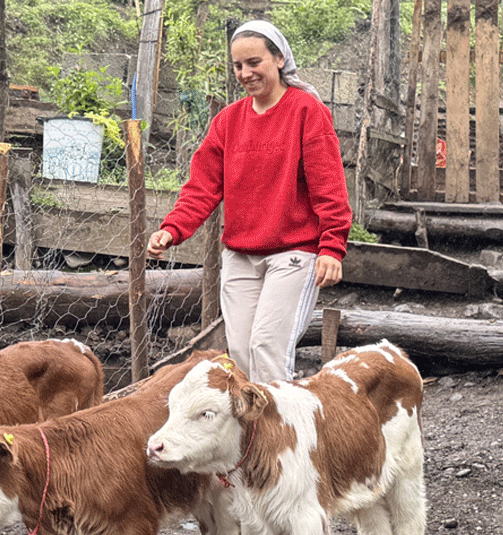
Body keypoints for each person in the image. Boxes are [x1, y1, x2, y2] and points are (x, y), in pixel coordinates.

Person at [146, 19, 352, 383]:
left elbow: (329, 185)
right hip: (240, 254)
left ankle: (280, 421)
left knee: (267, 347)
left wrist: (332, 247)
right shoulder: (228, 121)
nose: (245, 73)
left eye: (254, 62)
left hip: (294, 252)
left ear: (279, 59)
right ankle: (256, 422)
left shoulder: (306, 111)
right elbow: (202, 186)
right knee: (241, 353)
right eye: (238, 66)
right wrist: (173, 228)